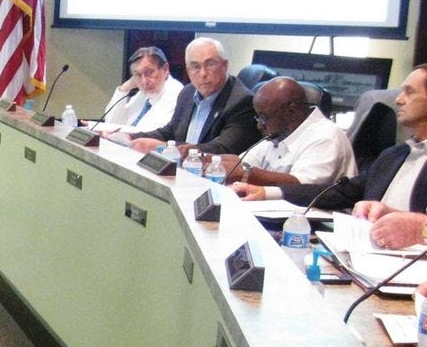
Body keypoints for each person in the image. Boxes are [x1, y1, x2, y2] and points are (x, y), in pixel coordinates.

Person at [234, 64, 427, 251]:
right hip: (369, 256)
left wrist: (419, 229)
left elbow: (416, 227)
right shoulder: (395, 154)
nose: (399, 100)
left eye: (410, 92)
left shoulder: (325, 135)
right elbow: (342, 191)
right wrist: (267, 192)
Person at [129, 37, 261, 156]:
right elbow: (170, 132)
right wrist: (130, 137)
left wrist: (164, 147)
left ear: (225, 65)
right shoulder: (188, 92)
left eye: (210, 64)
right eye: (195, 67)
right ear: (188, 71)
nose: (203, 73)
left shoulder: (242, 102)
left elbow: (223, 149)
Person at [220, 76, 356, 186]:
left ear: (291, 111)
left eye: (263, 117)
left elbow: (302, 187)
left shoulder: (326, 137)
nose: (259, 126)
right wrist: (206, 160)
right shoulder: (282, 131)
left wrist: (245, 175)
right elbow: (241, 163)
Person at [92, 46, 183, 134]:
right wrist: (124, 88)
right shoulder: (143, 94)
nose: (144, 81)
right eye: (138, 75)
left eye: (149, 72)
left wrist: (112, 132)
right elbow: (112, 122)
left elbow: (149, 133)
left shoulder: (177, 94)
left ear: (165, 69)